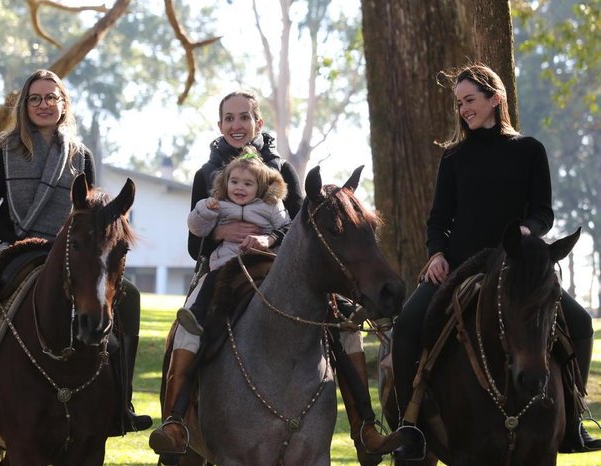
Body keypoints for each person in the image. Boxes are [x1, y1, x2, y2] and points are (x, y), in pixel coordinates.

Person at [149, 90, 401, 463]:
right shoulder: (206, 173)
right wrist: (220, 233)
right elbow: (193, 243)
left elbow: (305, 226)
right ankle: (174, 421)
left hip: (279, 268)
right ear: (220, 125)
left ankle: (366, 426)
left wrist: (267, 238)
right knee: (190, 323)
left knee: (346, 325)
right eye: (229, 118)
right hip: (223, 269)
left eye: (244, 117)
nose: (237, 125)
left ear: (258, 123)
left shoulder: (283, 170)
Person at [390, 63, 601, 460]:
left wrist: (527, 230)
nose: (463, 109)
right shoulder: (453, 158)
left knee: (580, 323)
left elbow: (543, 212)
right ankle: (410, 427)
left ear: (495, 98)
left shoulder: (529, 150)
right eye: (459, 103)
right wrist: (436, 253)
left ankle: (572, 420)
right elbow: (439, 219)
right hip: (458, 266)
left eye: (470, 100)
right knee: (406, 326)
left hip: (515, 265)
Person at [0, 69, 151, 446]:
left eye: (52, 98)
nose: (44, 104)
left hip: (68, 249)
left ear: (64, 104)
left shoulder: (80, 154)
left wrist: (67, 246)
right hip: (8, 244)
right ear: (24, 105)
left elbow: (92, 214)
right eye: (35, 98)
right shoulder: (4, 150)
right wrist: (15, 240)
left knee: (129, 295)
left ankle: (122, 401)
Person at [176, 146, 291, 336]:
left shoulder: (270, 206)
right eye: (234, 181)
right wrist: (206, 210)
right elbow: (197, 229)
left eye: (248, 184)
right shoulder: (219, 205)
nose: (239, 187)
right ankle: (197, 315)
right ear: (226, 182)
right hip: (226, 262)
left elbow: (289, 227)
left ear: (260, 187)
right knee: (213, 279)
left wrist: (268, 239)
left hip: (262, 262)